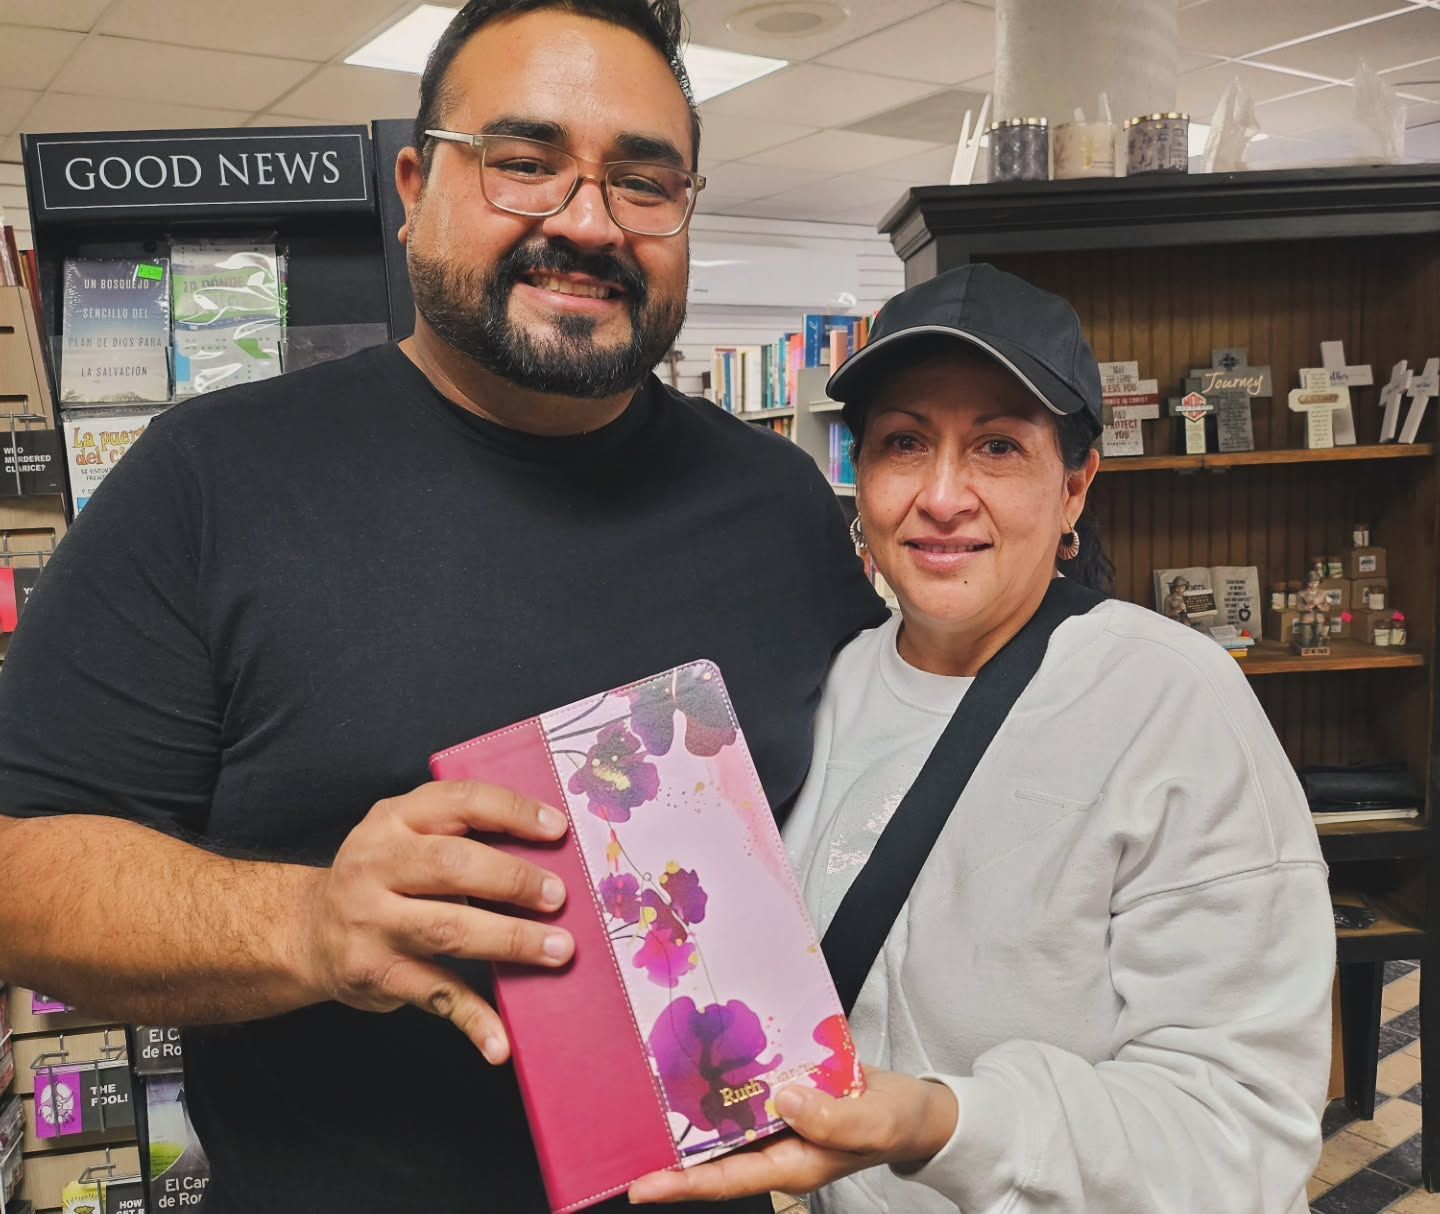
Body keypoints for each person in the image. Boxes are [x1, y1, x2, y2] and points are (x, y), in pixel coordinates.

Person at [0, 2, 885, 1211]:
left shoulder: (780, 504)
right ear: (414, 186)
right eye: (525, 164)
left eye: (644, 181)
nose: (586, 222)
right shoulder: (211, 481)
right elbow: (20, 867)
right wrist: (306, 921)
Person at [629, 264, 1334, 1213]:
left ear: (1077, 484)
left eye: (998, 446)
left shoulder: (1171, 701)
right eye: (904, 443)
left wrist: (941, 1124)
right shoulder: (824, 687)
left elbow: (1240, 1133)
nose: (944, 494)